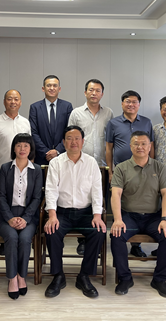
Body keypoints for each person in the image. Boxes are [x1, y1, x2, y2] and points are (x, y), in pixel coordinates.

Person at [110, 131, 166, 298]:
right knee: (116, 235)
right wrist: (117, 219)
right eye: (136, 144)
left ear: (150, 146)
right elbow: (115, 194)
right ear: (130, 146)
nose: (140, 147)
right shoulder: (121, 168)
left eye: (143, 144)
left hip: (154, 217)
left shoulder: (159, 167)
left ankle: (159, 279)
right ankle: (125, 278)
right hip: (129, 217)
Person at [44, 126, 107, 299]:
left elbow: (97, 191)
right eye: (69, 138)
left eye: (77, 138)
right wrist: (52, 216)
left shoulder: (91, 163)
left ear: (83, 141)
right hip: (62, 212)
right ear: (63, 142)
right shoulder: (56, 163)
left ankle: (84, 276)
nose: (73, 142)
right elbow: (51, 190)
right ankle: (58, 275)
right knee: (52, 231)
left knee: (98, 231)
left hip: (86, 213)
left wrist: (97, 215)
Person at [68, 78, 113, 256]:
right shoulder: (76, 113)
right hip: (81, 164)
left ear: (102, 93)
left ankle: (97, 237)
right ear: (85, 92)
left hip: (103, 165)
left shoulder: (109, 113)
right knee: (83, 200)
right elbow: (71, 137)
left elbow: (111, 140)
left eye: (98, 90)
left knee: (101, 200)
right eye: (91, 90)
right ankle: (83, 240)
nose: (94, 93)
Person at [106, 90, 154, 258]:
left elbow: (151, 147)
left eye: (134, 102)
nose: (131, 105)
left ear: (139, 105)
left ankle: (136, 245)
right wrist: (110, 170)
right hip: (121, 171)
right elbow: (109, 148)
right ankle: (121, 236)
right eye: (127, 101)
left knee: (138, 205)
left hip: (143, 171)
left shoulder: (147, 122)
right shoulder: (113, 123)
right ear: (122, 104)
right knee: (122, 203)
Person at [0, 134, 43, 300]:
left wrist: (26, 218)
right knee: (11, 237)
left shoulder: (36, 170)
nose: (22, 149)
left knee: (24, 238)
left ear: (31, 149)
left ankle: (21, 276)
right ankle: (12, 278)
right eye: (18, 145)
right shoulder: (5, 168)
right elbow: (1, 196)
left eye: (26, 146)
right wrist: (9, 218)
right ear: (14, 148)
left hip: (28, 216)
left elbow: (37, 197)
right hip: (6, 216)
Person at [0, 90, 31, 186]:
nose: (13, 102)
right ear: (4, 102)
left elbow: (30, 147)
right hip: (0, 170)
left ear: (20, 102)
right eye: (9, 99)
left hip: (22, 170)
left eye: (16, 99)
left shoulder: (26, 122)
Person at [29, 75, 73, 166]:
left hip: (62, 157)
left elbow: (69, 131)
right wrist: (46, 152)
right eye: (48, 85)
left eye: (55, 86)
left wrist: (58, 151)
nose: (52, 88)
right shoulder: (35, 107)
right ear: (43, 88)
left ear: (59, 89)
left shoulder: (67, 106)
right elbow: (33, 132)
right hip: (41, 158)